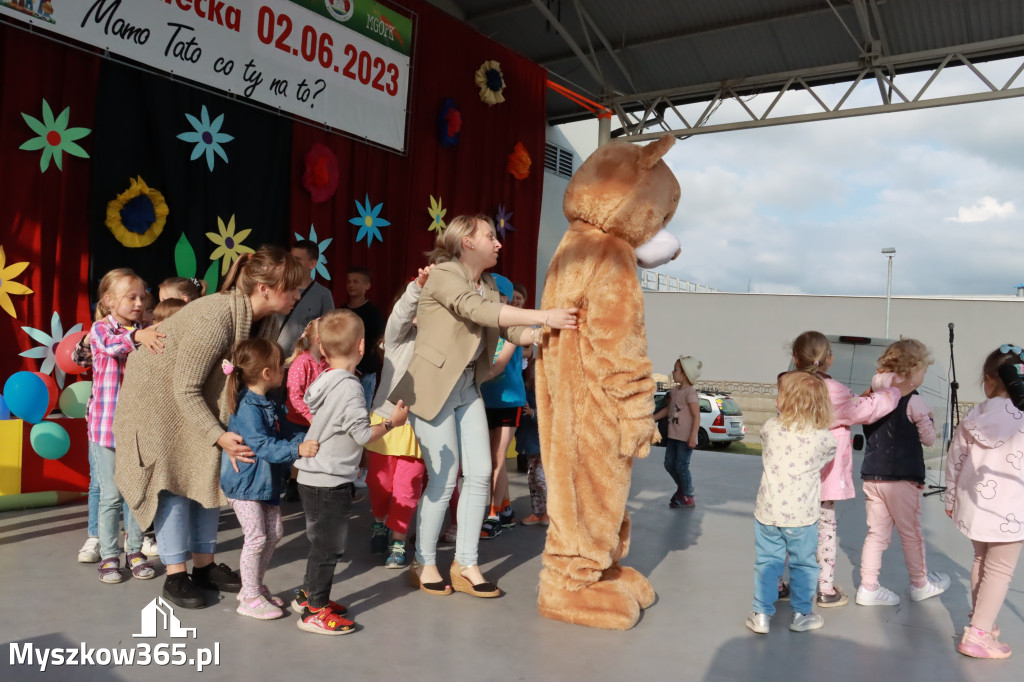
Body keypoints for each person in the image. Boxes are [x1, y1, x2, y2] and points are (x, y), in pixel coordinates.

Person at [114, 246, 306, 610]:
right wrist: (218, 435)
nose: (298, 295)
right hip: (156, 408)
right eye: (292, 287)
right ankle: (175, 576)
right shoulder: (215, 315)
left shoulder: (260, 319)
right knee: (171, 484)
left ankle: (203, 568)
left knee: (206, 477)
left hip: (194, 401)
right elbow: (183, 387)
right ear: (264, 287)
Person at [396, 214, 577, 598]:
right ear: (467, 242)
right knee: (443, 479)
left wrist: (551, 331)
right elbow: (478, 312)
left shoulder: (492, 284)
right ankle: (424, 562)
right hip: (432, 389)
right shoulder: (445, 273)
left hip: (466, 387)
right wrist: (544, 314)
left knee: (479, 474)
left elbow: (511, 330)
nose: (499, 243)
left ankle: (466, 564)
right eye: (491, 237)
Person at [292, 309, 409, 634]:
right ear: (361, 347)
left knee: (320, 545)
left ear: (324, 351)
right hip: (328, 480)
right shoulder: (351, 388)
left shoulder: (325, 380)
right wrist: (390, 423)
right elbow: (361, 434)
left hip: (313, 476)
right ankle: (315, 611)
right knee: (329, 548)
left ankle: (307, 596)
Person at [790, 331, 906, 608]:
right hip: (824, 474)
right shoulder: (834, 391)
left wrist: (854, 397)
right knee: (825, 529)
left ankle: (785, 584)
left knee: (791, 529)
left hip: (793, 476)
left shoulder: (789, 388)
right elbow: (865, 410)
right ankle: (825, 589)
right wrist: (891, 392)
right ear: (830, 359)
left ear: (795, 359)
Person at [219, 338, 319, 620]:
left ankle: (254, 587)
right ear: (266, 373)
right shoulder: (249, 407)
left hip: (266, 483)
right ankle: (248, 596)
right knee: (257, 537)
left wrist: (306, 437)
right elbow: (263, 445)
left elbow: (284, 428)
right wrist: (297, 449)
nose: (284, 371)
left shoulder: (270, 400)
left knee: (274, 534)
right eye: (280, 366)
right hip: (246, 486)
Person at [944, 345, 1024, 659]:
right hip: (1012, 510)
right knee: (1001, 569)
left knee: (981, 561)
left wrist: (951, 496)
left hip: (976, 507)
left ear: (989, 379)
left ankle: (982, 621)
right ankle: (978, 635)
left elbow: (955, 458)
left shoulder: (976, 413)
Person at [856, 339, 949, 607]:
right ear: (911, 370)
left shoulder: (871, 395)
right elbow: (929, 440)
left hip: (873, 476)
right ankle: (920, 584)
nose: (924, 376)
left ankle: (868, 586)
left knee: (876, 534)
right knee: (911, 533)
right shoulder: (914, 401)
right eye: (923, 371)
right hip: (902, 479)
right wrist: (928, 419)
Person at [86, 268, 164, 582]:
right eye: (130, 297)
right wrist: (138, 336)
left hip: (138, 429)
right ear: (108, 300)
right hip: (105, 428)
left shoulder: (147, 327)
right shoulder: (100, 329)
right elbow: (114, 345)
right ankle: (109, 555)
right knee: (110, 496)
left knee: (136, 494)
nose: (137, 302)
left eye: (141, 296)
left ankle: (134, 551)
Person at [746, 370, 837, 635]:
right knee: (804, 564)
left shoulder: (770, 428)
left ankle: (761, 614)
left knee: (767, 563)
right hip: (802, 517)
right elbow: (828, 455)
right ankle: (801, 614)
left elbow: (766, 445)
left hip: (767, 513)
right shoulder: (822, 437)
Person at [365, 267, 433, 567]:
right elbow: (399, 319)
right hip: (385, 421)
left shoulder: (438, 344)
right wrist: (417, 287)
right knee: (379, 486)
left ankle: (398, 541)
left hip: (419, 425)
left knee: (408, 487)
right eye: (417, 308)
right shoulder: (394, 340)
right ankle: (379, 522)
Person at [479, 274, 527, 538]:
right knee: (492, 459)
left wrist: (468, 379)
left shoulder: (512, 327)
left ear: (505, 299)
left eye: (491, 292)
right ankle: (507, 510)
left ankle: (494, 515)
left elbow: (497, 366)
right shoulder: (482, 325)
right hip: (485, 400)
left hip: (510, 401)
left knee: (497, 460)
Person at [283, 318, 329, 501]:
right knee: (301, 452)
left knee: (311, 454)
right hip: (298, 421)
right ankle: (293, 484)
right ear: (319, 339)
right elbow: (294, 395)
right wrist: (310, 416)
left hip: (316, 419)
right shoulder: (302, 362)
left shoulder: (326, 363)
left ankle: (302, 485)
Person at [652, 355, 702, 508]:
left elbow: (696, 416)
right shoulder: (674, 391)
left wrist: (693, 436)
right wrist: (653, 418)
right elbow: (668, 409)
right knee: (669, 464)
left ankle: (687, 495)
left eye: (676, 370)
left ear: (685, 374)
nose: (673, 372)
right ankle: (684, 487)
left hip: (685, 438)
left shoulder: (690, 393)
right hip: (673, 436)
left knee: (681, 466)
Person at [276, 241, 334, 354]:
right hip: (272, 358)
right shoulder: (277, 288)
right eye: (290, 258)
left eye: (297, 259)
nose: (292, 263)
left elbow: (328, 331)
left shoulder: (323, 295)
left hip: (301, 362)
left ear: (312, 264)